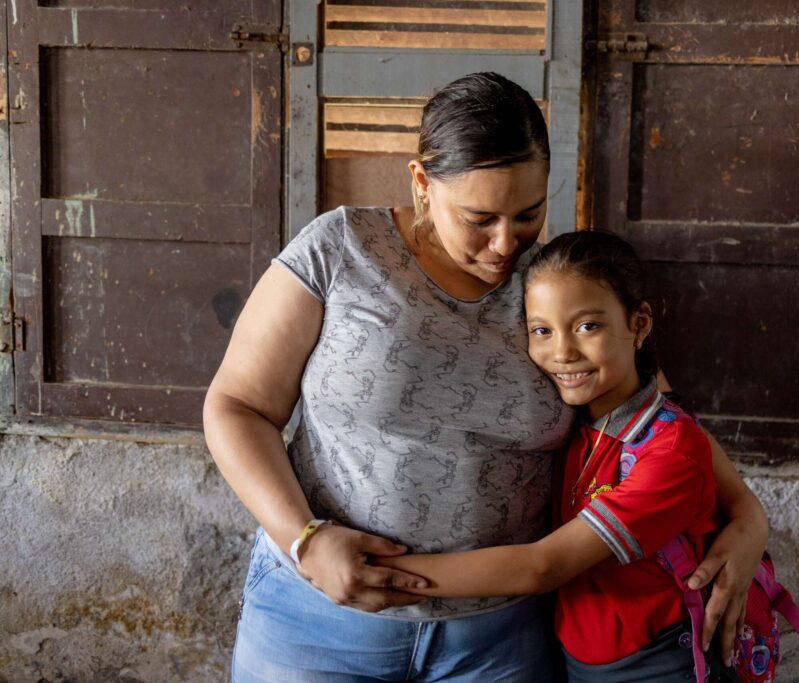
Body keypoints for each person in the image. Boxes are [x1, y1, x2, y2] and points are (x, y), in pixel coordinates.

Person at [203, 72, 768, 681]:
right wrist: (305, 541)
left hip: (499, 641)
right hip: (318, 621)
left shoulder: (557, 282)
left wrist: (749, 519)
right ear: (421, 182)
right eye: (479, 217)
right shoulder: (342, 250)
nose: (505, 244)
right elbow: (237, 405)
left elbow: (652, 416)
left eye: (528, 213)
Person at [377, 230, 738, 680]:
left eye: (588, 326)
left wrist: (382, 573)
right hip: (577, 660)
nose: (563, 352)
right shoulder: (572, 425)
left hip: (660, 663)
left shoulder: (669, 452)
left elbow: (540, 567)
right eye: (542, 331)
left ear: (639, 324)